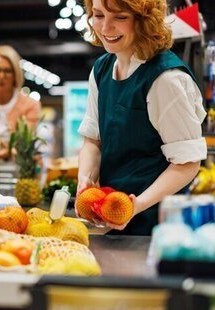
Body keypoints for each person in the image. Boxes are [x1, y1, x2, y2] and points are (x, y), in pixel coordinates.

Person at [77, 0, 207, 235]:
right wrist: (84, 180)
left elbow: (187, 163)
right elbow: (93, 140)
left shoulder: (166, 79)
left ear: (145, 20)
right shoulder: (101, 70)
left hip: (159, 226)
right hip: (115, 219)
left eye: (120, 17)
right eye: (98, 15)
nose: (105, 27)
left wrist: (138, 205)